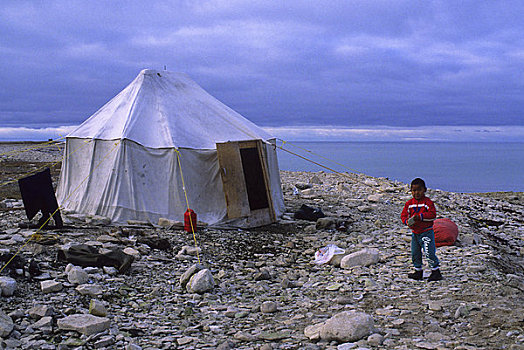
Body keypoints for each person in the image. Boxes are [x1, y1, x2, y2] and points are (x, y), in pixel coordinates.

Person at [401, 178, 443, 281]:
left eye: (419, 190)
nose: (416, 193)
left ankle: (436, 271)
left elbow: (432, 215)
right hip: (415, 233)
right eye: (414, 190)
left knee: (429, 252)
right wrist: (407, 221)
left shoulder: (427, 203)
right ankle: (418, 271)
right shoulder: (409, 203)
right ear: (411, 191)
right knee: (415, 252)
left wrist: (420, 217)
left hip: (426, 232)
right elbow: (403, 215)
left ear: (425, 190)